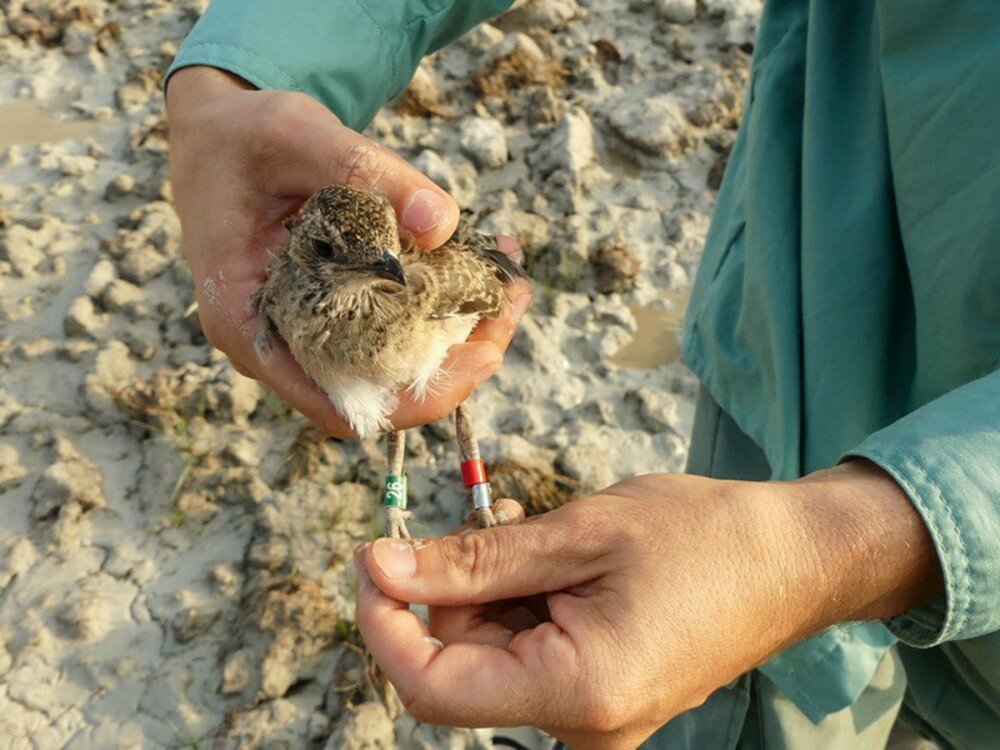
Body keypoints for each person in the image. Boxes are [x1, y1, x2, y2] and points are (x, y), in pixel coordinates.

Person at [165, 1, 1000, 748]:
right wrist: (238, 73)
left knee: (454, 407)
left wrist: (852, 542)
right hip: (779, 344)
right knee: (754, 707)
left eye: (382, 254)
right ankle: (406, 508)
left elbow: (468, 285)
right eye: (351, 257)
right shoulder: (291, 286)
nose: (387, 268)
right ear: (304, 251)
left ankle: (477, 498)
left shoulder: (409, 282)